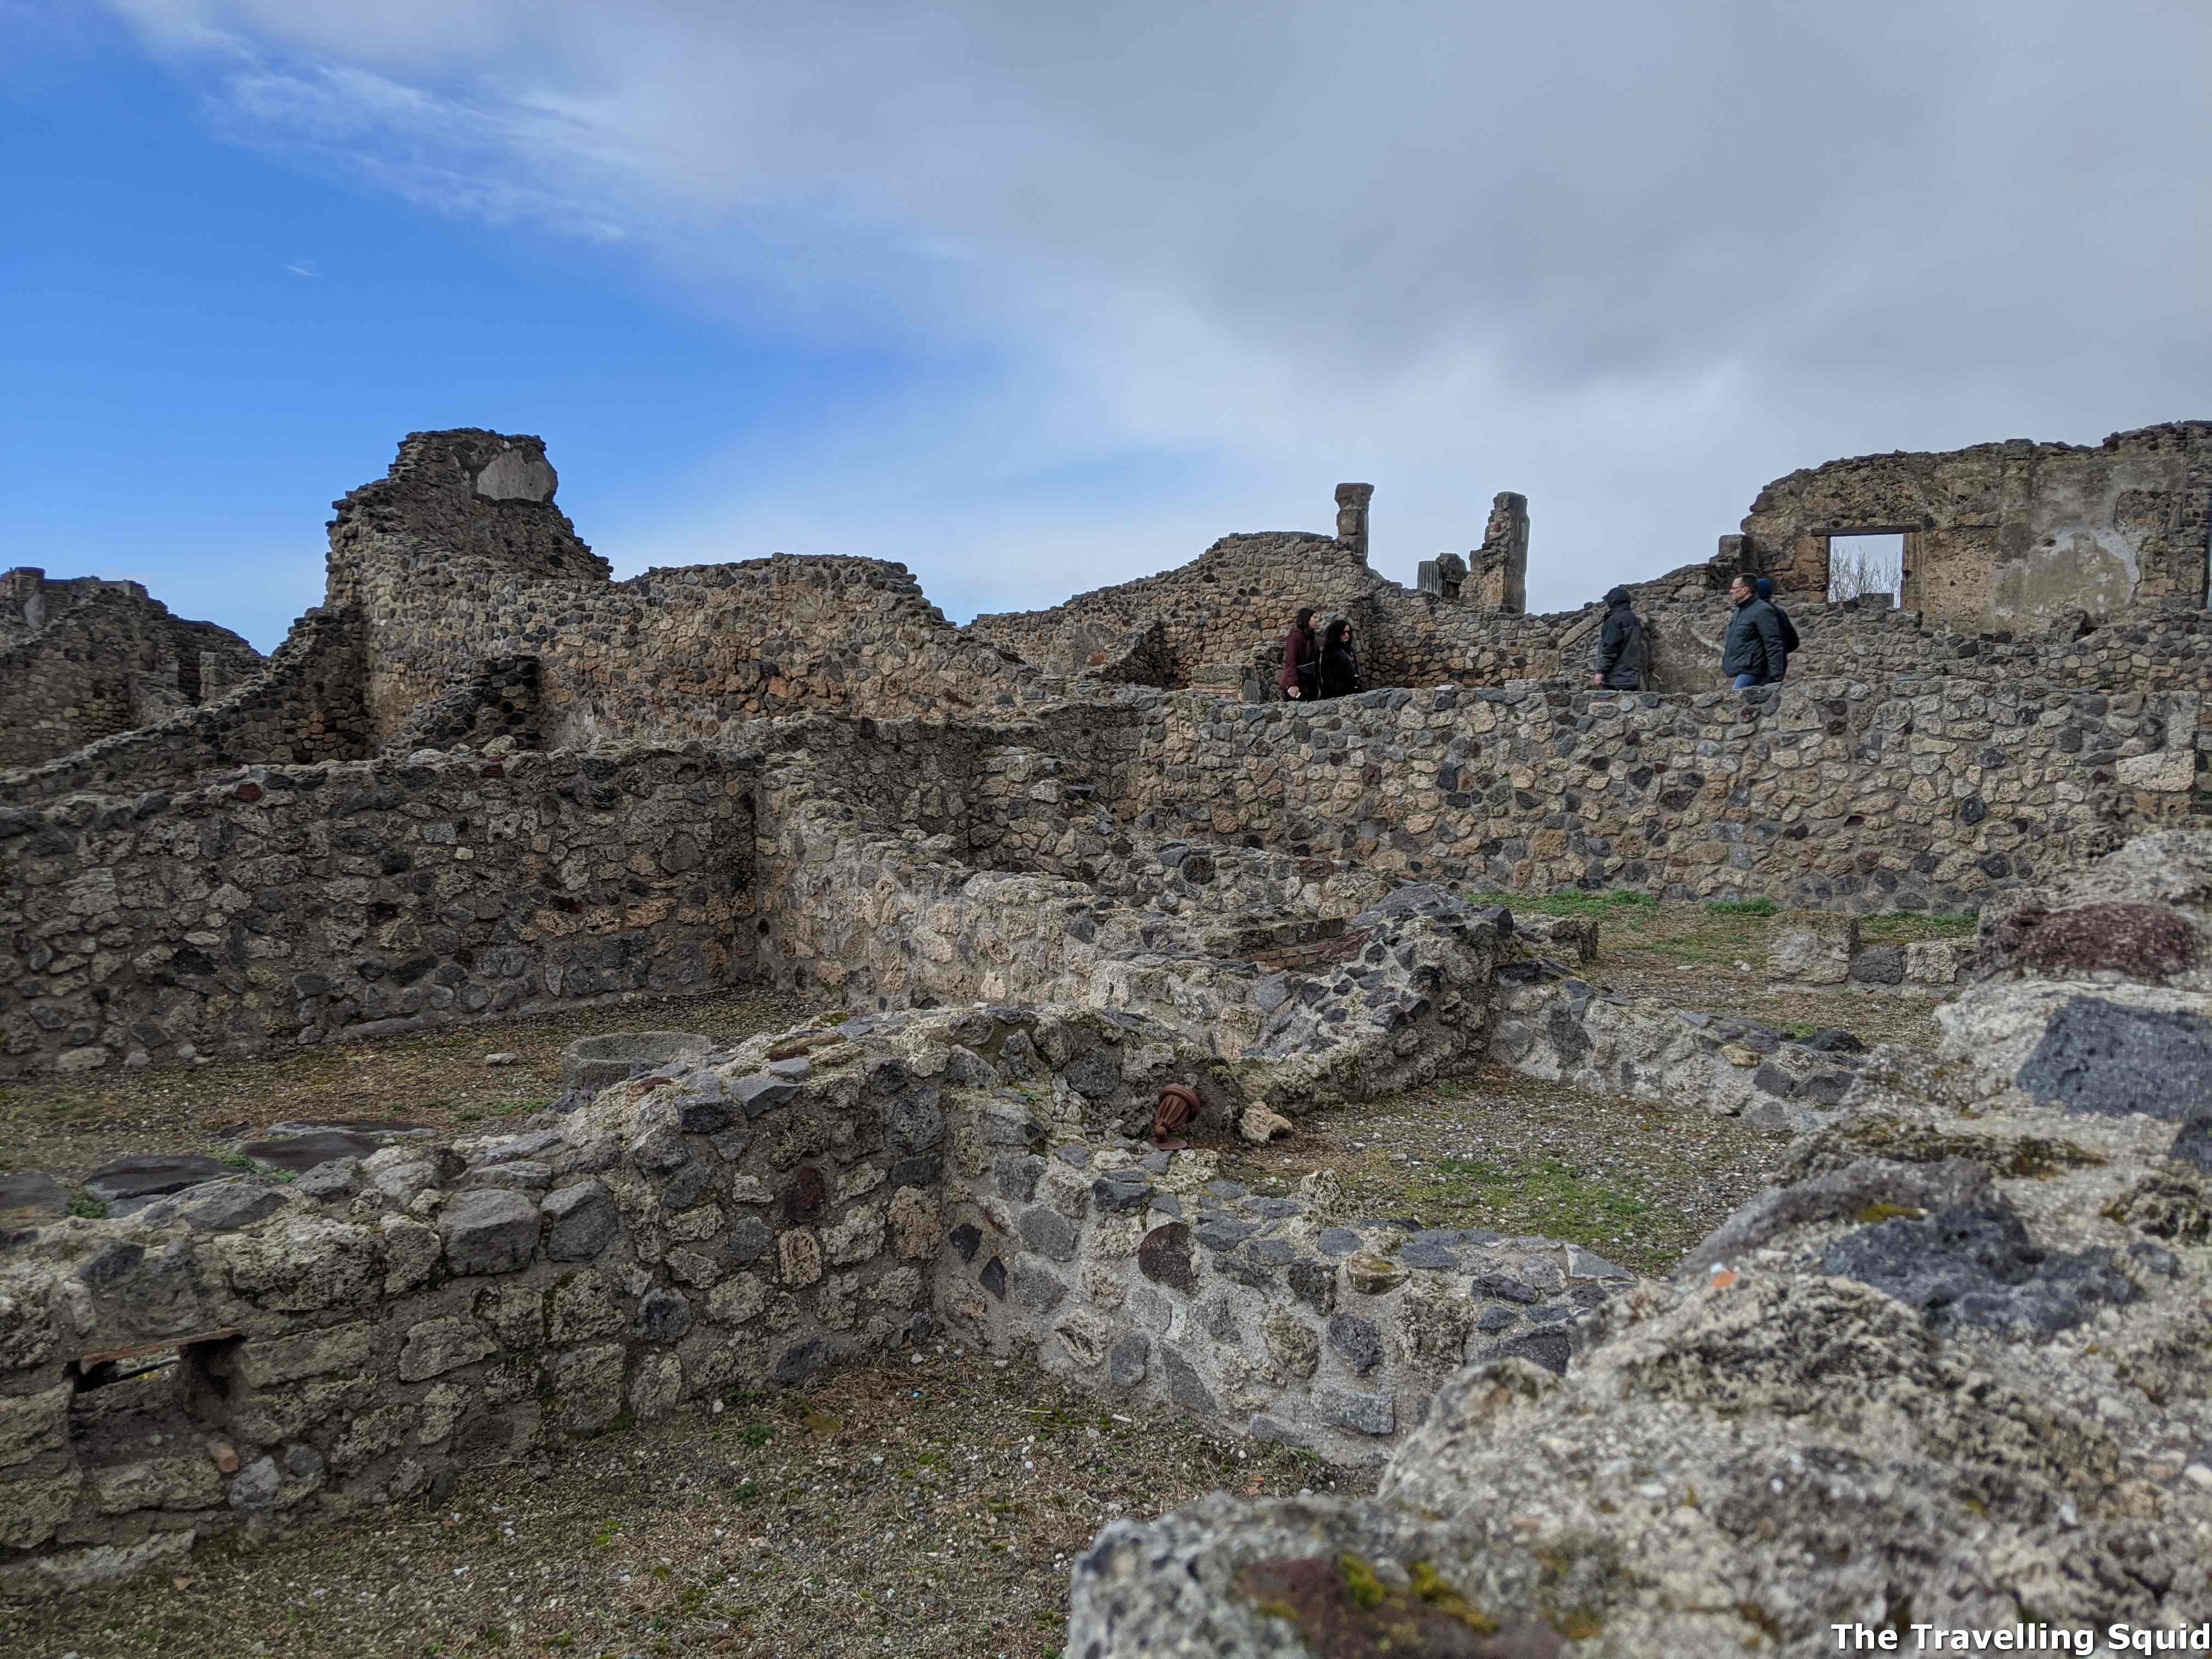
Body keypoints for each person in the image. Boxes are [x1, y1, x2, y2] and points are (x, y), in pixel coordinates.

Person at [1722, 573, 1788, 689]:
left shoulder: (1762, 610)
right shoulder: (1739, 611)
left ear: (1745, 590)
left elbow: (1773, 642)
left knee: (1734, 701)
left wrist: (1776, 675)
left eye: (1734, 588)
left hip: (1752, 670)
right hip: (1741, 668)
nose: (1731, 591)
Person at [1588, 585, 1647, 690]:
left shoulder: (1615, 620)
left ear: (1613, 602)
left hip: (1616, 679)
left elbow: (1610, 648)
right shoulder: (1633, 619)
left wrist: (1601, 672)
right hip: (1632, 677)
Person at [1753, 576, 1801, 679]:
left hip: (1763, 666)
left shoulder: (1761, 612)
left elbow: (1774, 641)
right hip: (1777, 665)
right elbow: (1793, 641)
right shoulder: (1780, 612)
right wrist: (1781, 653)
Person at [1278, 607, 1320, 701]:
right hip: (1298, 684)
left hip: (1309, 684)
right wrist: (1293, 684)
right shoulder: (1295, 637)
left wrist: (1318, 684)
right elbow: (1291, 661)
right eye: (1315, 617)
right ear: (1306, 619)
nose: (1318, 620)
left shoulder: (1311, 637)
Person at [1318, 618, 1363, 698]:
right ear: (1337, 633)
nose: (1346, 635)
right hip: (1338, 694)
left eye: (1348, 632)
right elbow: (1327, 675)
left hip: (1354, 691)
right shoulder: (1329, 651)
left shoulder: (1349, 649)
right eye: (1343, 632)